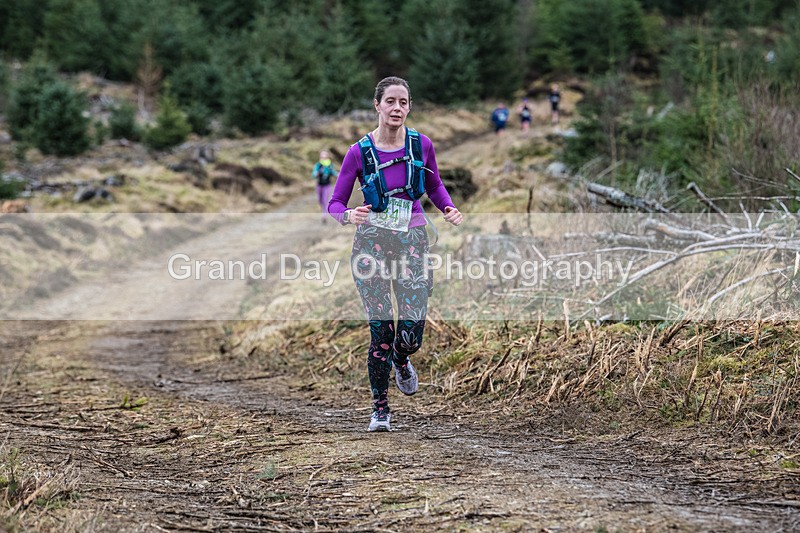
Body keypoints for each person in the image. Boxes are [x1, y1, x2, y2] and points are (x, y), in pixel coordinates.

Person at [328, 76, 463, 432]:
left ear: (409, 106)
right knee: (381, 331)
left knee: (410, 334)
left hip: (412, 243)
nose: (397, 108)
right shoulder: (359, 152)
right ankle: (380, 409)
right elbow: (335, 202)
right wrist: (347, 216)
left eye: (403, 102)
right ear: (377, 105)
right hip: (370, 245)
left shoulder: (421, 145)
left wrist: (447, 208)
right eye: (390, 101)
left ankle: (402, 360)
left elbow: (433, 184)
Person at [311, 150, 338, 223]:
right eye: (322, 157)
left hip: (327, 185)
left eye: (325, 156)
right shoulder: (318, 165)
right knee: (320, 200)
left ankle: (324, 216)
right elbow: (313, 174)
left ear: (327, 157)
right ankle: (323, 210)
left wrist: (338, 175)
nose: (324, 158)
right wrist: (316, 174)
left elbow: (333, 172)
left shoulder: (330, 165)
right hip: (319, 185)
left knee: (325, 200)